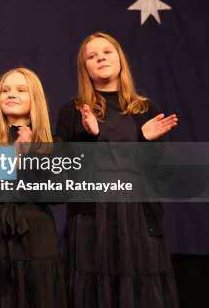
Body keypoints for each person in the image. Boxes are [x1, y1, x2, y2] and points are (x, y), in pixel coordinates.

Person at [56, 32, 179, 307]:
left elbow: (162, 175)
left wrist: (145, 140)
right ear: (84, 67)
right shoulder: (73, 111)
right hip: (91, 219)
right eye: (92, 55)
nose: (100, 57)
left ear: (120, 58)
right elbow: (65, 175)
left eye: (107, 52)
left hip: (138, 216)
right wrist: (89, 137)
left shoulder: (146, 109)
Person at [0, 68, 66, 308]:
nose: (11, 94)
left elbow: (58, 193)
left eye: (21, 90)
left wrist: (29, 157)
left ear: (35, 99)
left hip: (38, 242)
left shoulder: (53, 144)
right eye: (5, 90)